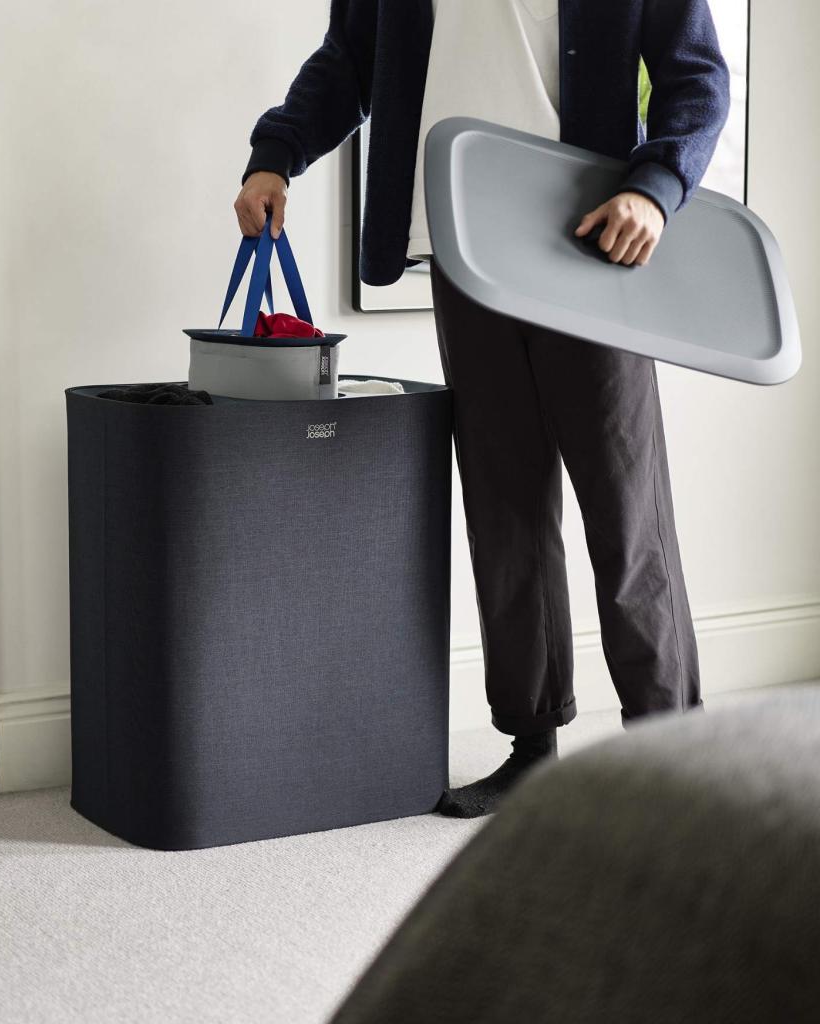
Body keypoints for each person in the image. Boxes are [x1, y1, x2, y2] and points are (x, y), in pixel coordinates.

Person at [234, 0, 730, 818]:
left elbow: (697, 75)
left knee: (626, 514)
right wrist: (275, 156)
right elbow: (348, 62)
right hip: (462, 244)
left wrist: (657, 185)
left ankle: (670, 755)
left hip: (590, 245)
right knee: (505, 511)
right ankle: (530, 747)